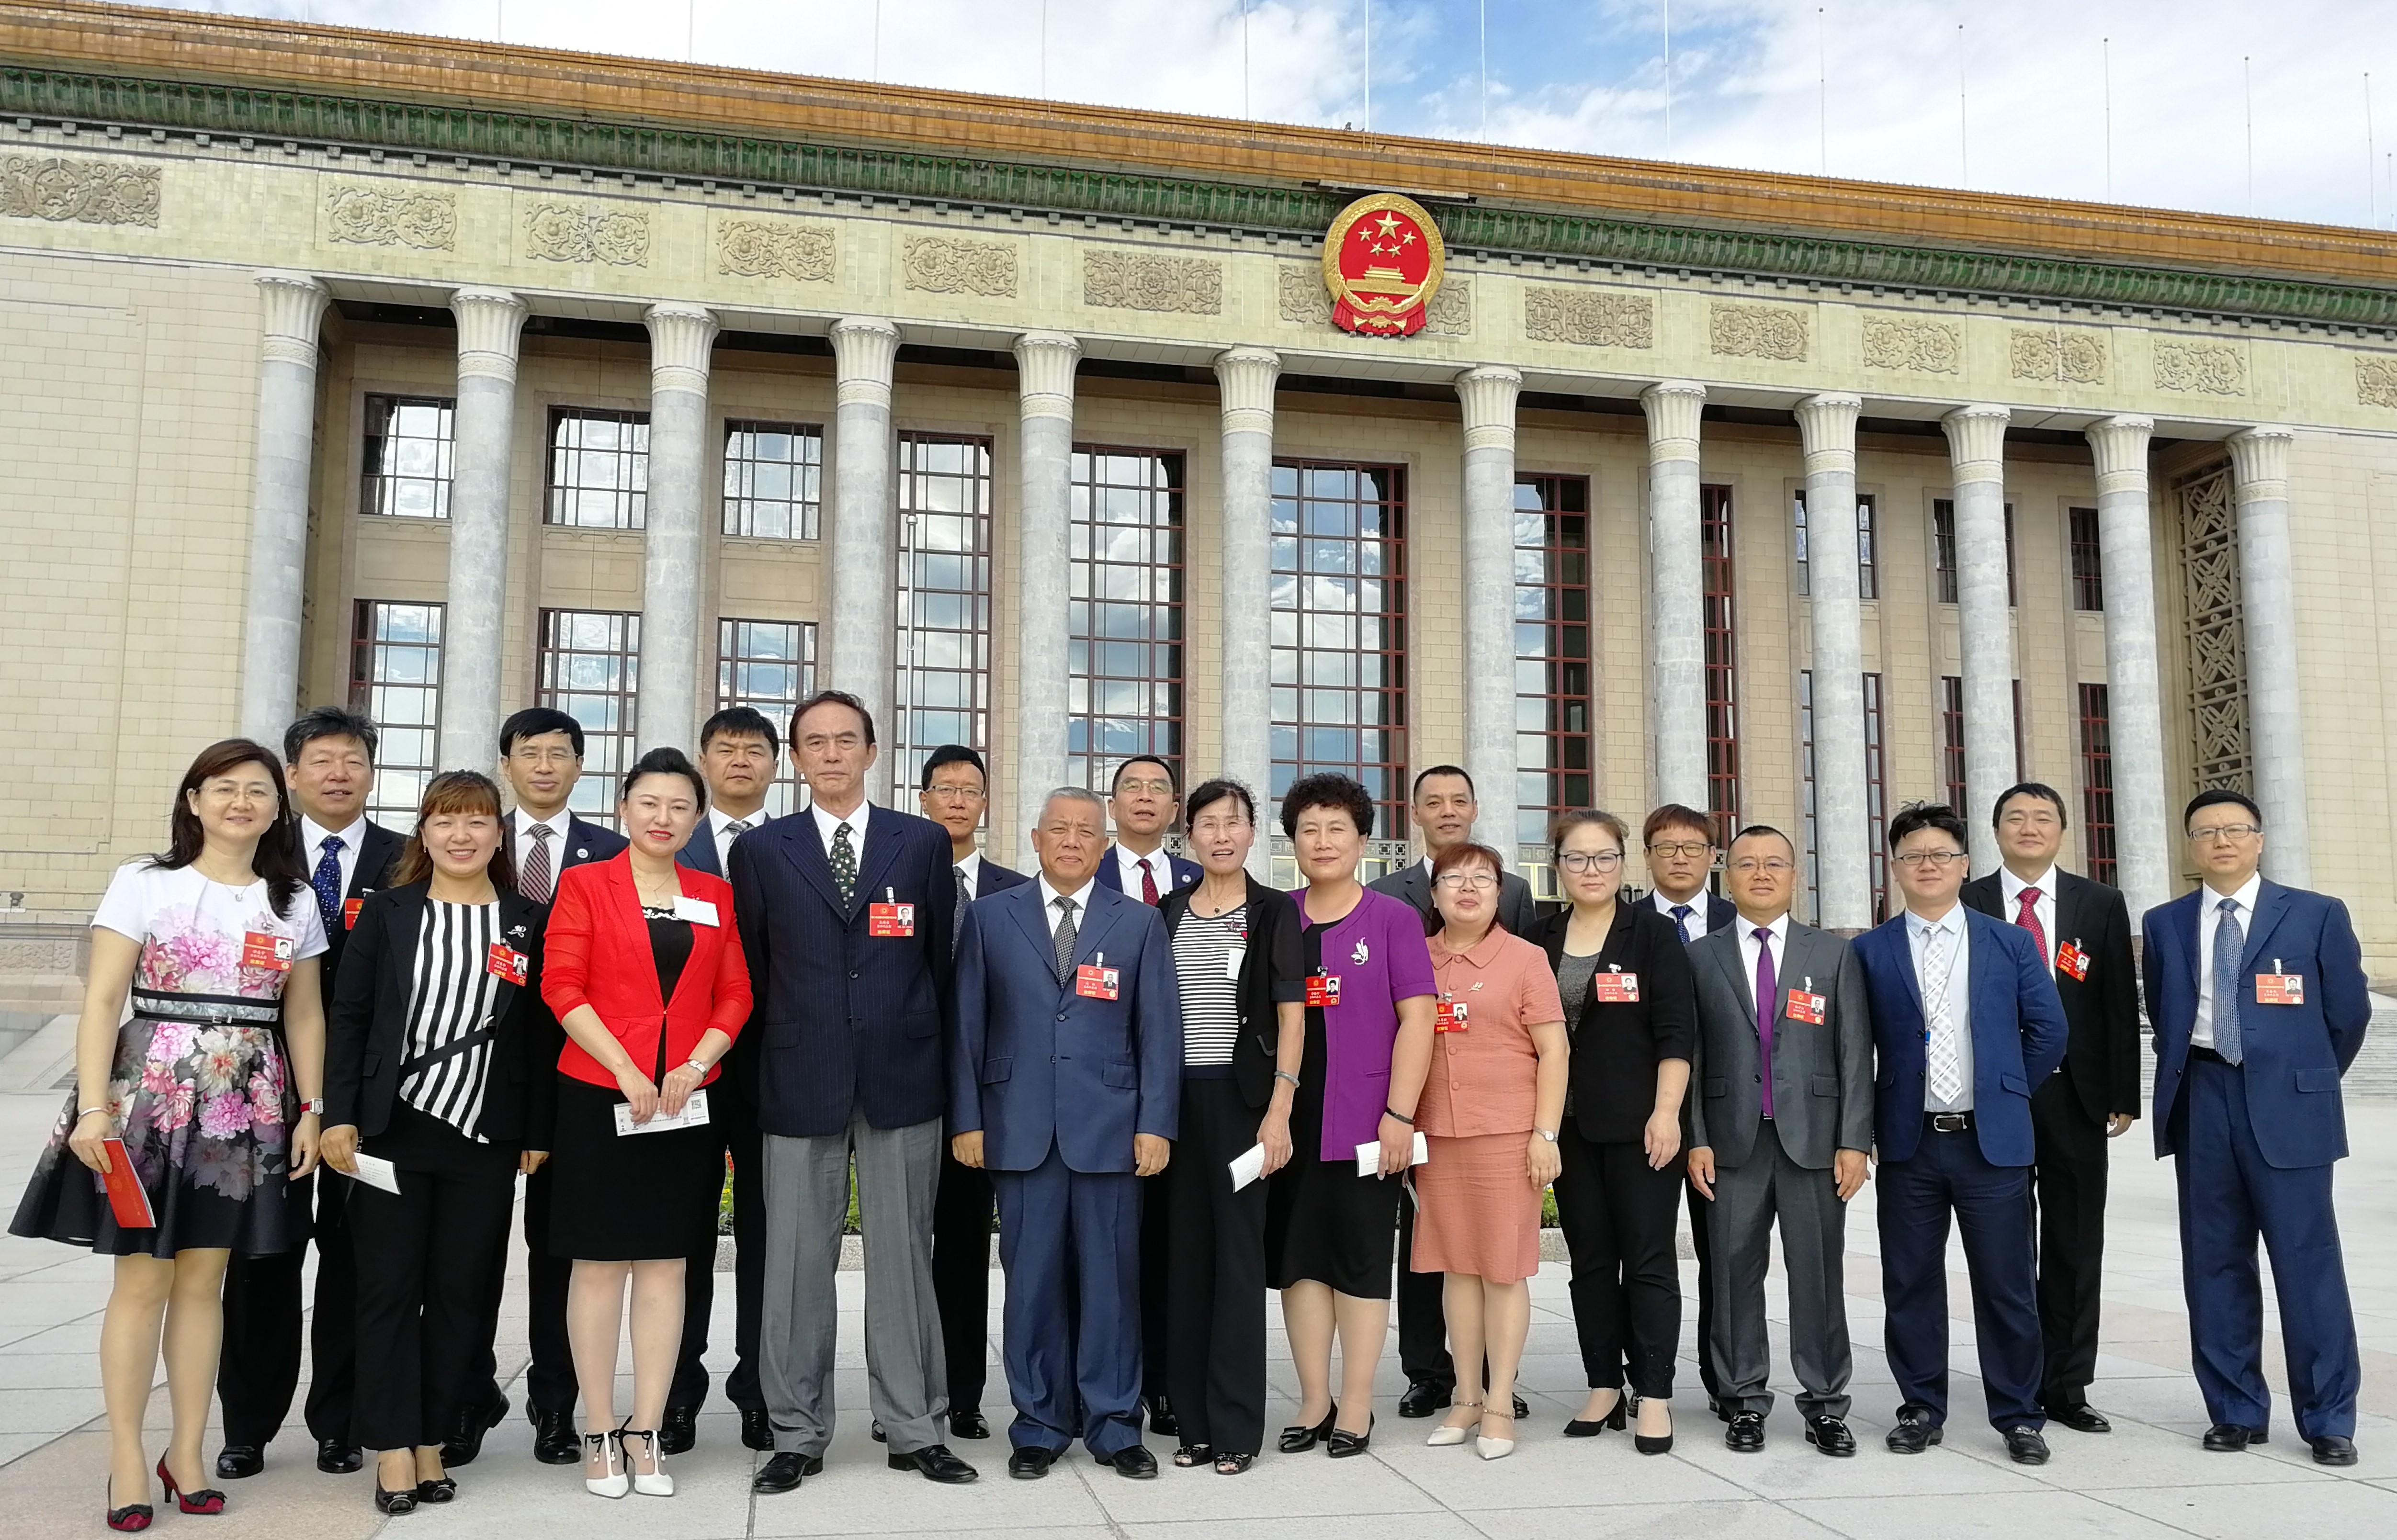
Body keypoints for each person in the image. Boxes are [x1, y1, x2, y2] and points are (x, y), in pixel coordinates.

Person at [11, 739, 328, 1532]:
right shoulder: (145, 882)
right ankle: (127, 1453)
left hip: (247, 1102)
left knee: (204, 1281)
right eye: (223, 788)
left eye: (258, 790)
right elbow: (103, 996)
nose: (241, 802)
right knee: (143, 1280)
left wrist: (311, 1108)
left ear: (276, 808)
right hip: (147, 1094)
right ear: (193, 800)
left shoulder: (291, 899)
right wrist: (92, 1107)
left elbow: (305, 1011)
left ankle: (187, 1450)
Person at [729, 691, 977, 1493]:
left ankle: (915, 1426)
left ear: (873, 751)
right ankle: (796, 1431)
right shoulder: (764, 851)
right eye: (814, 743)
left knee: (904, 1256)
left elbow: (941, 961)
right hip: (799, 1072)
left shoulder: (921, 842)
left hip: (903, 1075)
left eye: (846, 740)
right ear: (795, 760)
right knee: (796, 1262)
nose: (831, 754)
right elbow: (755, 974)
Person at [317, 770, 558, 1515]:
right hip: (392, 1129)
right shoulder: (389, 913)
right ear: (423, 833)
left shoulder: (526, 919)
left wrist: (536, 1132)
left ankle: (431, 1434)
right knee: (388, 1289)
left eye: (478, 821)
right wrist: (338, 1114)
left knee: (462, 1295)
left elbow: (541, 1033)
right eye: (445, 821)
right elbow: (350, 1017)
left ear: (498, 834)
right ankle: (390, 1445)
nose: (462, 835)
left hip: (483, 1136)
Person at [949, 787, 1181, 1479]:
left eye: (1087, 831)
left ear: (1103, 845)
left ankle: (1114, 1422)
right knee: (1033, 1282)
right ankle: (1040, 1421)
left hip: (1111, 1130)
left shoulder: (1137, 923)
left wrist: (1155, 1124)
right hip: (1018, 1128)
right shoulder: (991, 918)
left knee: (1113, 1281)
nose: (1073, 841)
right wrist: (967, 1118)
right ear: (1036, 837)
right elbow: (966, 1024)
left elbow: (1158, 1033)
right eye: (1060, 829)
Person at [542, 748, 753, 1500]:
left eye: (678, 807)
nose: (663, 818)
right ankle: (598, 1426)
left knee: (669, 1264)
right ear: (625, 808)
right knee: (598, 1264)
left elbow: (735, 993)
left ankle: (647, 1427)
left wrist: (694, 1062)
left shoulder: (712, 893)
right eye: (649, 803)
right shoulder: (584, 884)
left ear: (696, 819)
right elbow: (560, 983)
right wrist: (627, 1067)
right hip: (602, 1093)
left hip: (685, 1101)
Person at [2143, 789, 2369, 1466]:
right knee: (2213, 1261)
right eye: (2206, 831)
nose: (2221, 841)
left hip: (2289, 1103)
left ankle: (2328, 1416)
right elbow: (2163, 1012)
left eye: (2235, 829)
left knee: (2307, 1262)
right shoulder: (2164, 922)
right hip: (2203, 1096)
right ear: (2189, 846)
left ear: (2259, 839)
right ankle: (2234, 1409)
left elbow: (2348, 1014)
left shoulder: (2315, 914)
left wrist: (2302, 1075)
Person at [216, 706, 404, 1481]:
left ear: (370, 771)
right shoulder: (253, 852)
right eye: (321, 760)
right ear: (291, 775)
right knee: (263, 1258)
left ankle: (342, 1421)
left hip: (374, 1095)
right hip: (267, 1091)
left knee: (361, 1262)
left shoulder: (406, 857)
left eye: (353, 759)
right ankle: (249, 1427)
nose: (338, 773)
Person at [1853, 802, 2067, 1465]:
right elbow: (1853, 1046)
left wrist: (2004, 1091)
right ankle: (1920, 1404)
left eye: (1940, 853)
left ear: (1963, 865)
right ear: (1895, 868)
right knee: (1910, 1280)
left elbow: (2049, 1029)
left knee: (2005, 1283)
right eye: (1913, 854)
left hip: (1991, 1143)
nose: (1927, 864)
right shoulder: (1867, 950)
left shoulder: (2007, 941)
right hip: (1909, 1143)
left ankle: (2018, 1412)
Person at [470, 706, 628, 1466]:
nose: (543, 765)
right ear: (506, 763)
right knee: (465, 1250)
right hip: (478, 1078)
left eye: (559, 753)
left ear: (579, 766)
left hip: (579, 1078)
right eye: (529, 753)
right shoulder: (468, 840)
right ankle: (468, 1393)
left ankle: (556, 1403)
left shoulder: (615, 854)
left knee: (559, 1249)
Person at [1961, 783, 2141, 1434]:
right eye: (2016, 817)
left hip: (2074, 1093)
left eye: (2042, 817)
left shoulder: (2098, 903)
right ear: (1996, 830)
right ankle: (2013, 1380)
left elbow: (2118, 1002)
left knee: (2073, 1241)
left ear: (2062, 830)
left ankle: (2065, 1383)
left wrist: (2123, 1092)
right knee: (2005, 1245)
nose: (2029, 827)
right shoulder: (1969, 898)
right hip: (1995, 1093)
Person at [1266, 774, 1436, 1459]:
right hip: (1287, 1122)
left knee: (1360, 1262)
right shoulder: (1276, 916)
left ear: (1363, 841)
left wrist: (1399, 1111)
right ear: (1293, 843)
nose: (1323, 841)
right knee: (1299, 1261)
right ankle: (1314, 1398)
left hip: (1369, 1122)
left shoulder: (1392, 919)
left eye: (1337, 828)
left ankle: (1358, 1402)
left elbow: (1418, 1017)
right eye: (1309, 829)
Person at [1685, 825, 1870, 1457]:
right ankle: (1741, 1399)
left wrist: (1854, 1140)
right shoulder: (1701, 955)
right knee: (1734, 1273)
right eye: (1746, 864)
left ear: (1796, 876)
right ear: (1726, 876)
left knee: (1817, 1273)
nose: (1760, 874)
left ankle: (1824, 1402)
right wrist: (1697, 1138)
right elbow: (1690, 1053)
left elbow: (1853, 1053)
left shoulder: (1833, 955)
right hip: (1731, 1142)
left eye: (1774, 864)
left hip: (1814, 1143)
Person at [1367, 764, 1535, 1422]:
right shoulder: (1385, 891)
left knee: (1491, 1251)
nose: (1446, 810)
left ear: (1474, 807)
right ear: (1414, 812)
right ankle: (1426, 1371)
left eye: (1457, 800)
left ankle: (1495, 1377)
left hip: (1494, 1103)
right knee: (1425, 1241)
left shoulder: (1515, 890)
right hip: (1420, 1101)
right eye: (1432, 801)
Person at [1525, 810, 1693, 1454]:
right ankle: (1602, 1383)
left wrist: (1666, 1111)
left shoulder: (1651, 935)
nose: (1589, 870)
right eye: (1576, 858)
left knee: (1647, 1261)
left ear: (1622, 864)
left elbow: (1676, 1031)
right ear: (1557, 866)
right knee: (1590, 1261)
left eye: (1602, 858)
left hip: (1638, 1126)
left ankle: (1652, 1393)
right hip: (1564, 1128)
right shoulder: (1537, 936)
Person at [1154, 778, 1304, 1475]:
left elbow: (1291, 1017)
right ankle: (1193, 1425)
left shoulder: (1274, 912)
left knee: (1238, 1265)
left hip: (1245, 1104)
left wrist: (1279, 1110)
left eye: (1233, 822)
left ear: (1252, 833)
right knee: (1183, 1263)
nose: (1220, 835)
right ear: (1190, 836)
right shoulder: (1166, 910)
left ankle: (1238, 1425)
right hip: (1176, 1104)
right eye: (1207, 824)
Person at [1414, 843, 1569, 1462]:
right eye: (1454, 878)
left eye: (1482, 878)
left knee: (1502, 1270)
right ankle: (1466, 1396)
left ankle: (1501, 1401)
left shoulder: (1524, 958)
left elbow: (1554, 1052)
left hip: (1506, 1133)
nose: (1468, 888)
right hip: (1438, 1136)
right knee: (1457, 1267)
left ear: (1500, 891)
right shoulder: (1416, 958)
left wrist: (1544, 1133)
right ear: (1433, 893)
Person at [661, 706, 780, 1456]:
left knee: (771, 1235)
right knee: (682, 1230)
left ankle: (762, 1387)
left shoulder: (791, 845)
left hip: (771, 1068)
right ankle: (676, 1389)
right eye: (725, 748)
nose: (740, 759)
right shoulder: (668, 843)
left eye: (754, 749)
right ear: (704, 760)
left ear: (775, 763)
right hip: (683, 1071)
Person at [920, 743, 1030, 1443]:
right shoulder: (894, 876)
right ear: (924, 797)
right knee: (910, 1253)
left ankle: (964, 1394)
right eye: (945, 789)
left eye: (971, 790)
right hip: (912, 1092)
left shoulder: (1014, 890)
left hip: (997, 1097)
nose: (958, 800)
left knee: (968, 1250)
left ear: (985, 802)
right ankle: (910, 1391)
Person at [1091, 754, 1200, 1431]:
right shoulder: (1080, 872)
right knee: (1105, 1249)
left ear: (1173, 807)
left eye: (1157, 787)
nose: (1143, 797)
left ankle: (1161, 1383)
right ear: (1111, 803)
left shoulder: (1196, 881)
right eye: (1130, 786)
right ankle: (1100, 1381)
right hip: (1097, 1090)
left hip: (1182, 1083)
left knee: (1167, 1244)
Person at [1637, 802, 1736, 1420]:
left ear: (1711, 857)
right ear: (1647, 856)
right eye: (1666, 847)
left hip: (1723, 1116)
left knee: (1721, 1253)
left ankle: (1725, 1377)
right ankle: (1641, 1373)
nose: (1679, 857)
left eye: (1692, 848)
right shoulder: (1619, 922)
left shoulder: (1739, 920)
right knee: (1642, 1254)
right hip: (1641, 1112)